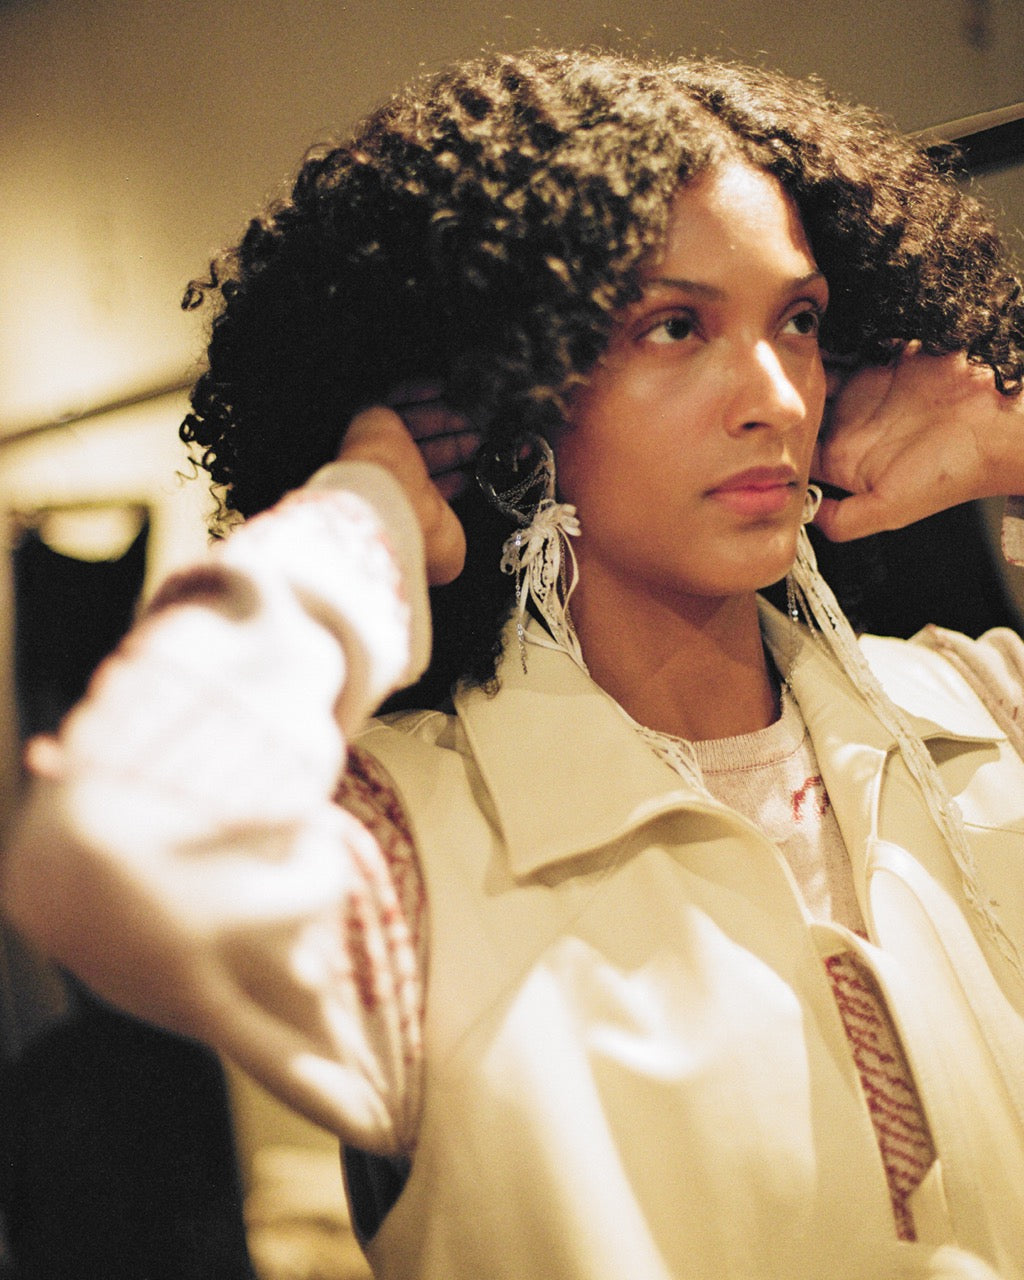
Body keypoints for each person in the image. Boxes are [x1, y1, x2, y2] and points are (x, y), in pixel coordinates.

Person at [5, 48, 1024, 1279]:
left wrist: (1008, 440)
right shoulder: (408, 852)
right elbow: (107, 841)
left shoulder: (982, 707)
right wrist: (368, 514)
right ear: (514, 383)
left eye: (796, 321)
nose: (774, 396)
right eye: (674, 326)